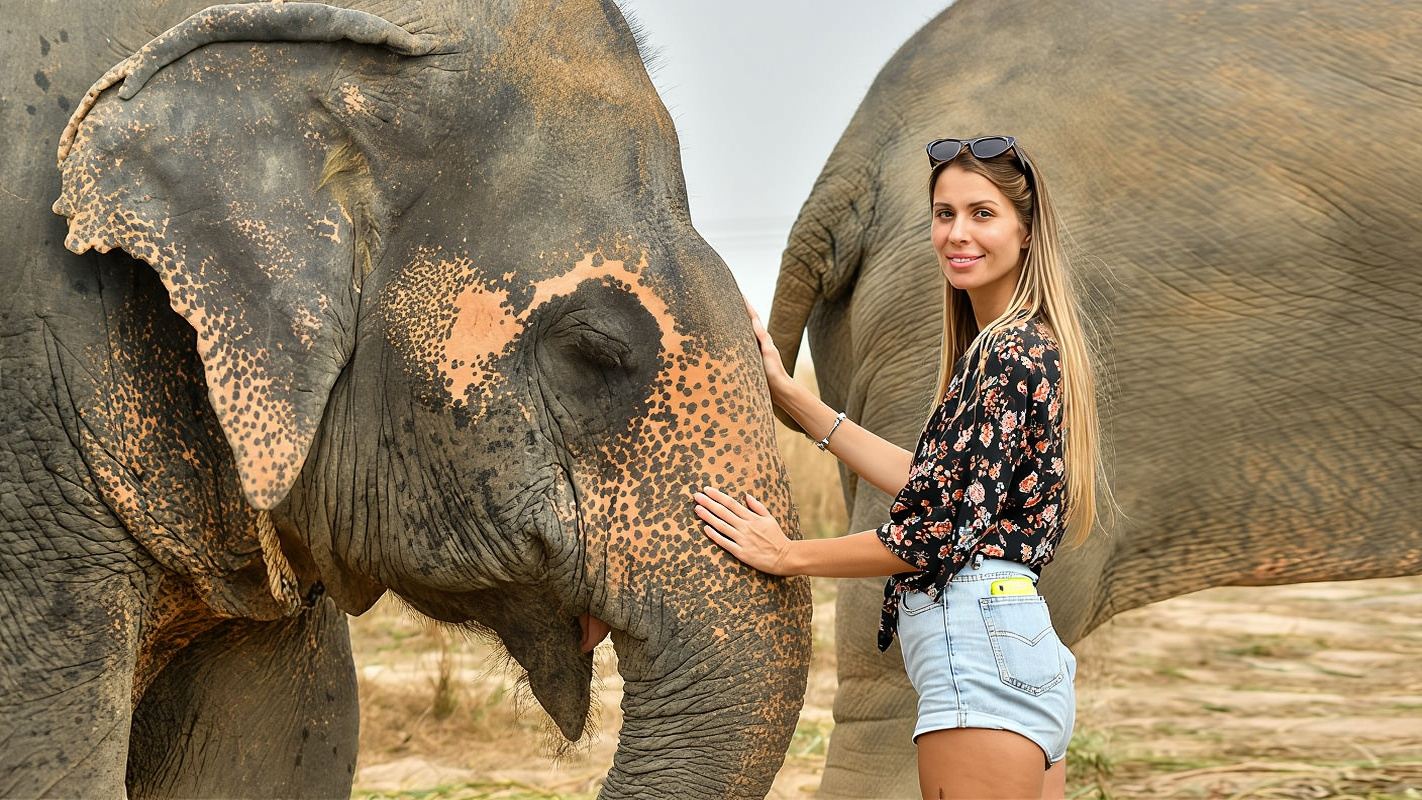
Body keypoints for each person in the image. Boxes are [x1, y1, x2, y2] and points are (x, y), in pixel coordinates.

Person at [693, 135, 1106, 800]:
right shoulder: (1025, 344)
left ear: (1027, 231)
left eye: (982, 213)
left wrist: (786, 555)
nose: (957, 233)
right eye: (945, 214)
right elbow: (939, 487)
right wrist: (793, 397)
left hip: (980, 657)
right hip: (1023, 648)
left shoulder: (1005, 354)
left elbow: (931, 535)